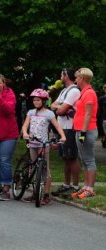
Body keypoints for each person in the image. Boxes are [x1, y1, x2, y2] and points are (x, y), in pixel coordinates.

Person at [20, 89, 66, 205]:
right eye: (34, 100)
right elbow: (25, 126)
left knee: (45, 169)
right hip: (32, 143)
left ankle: (46, 194)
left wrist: (63, 136)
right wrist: (25, 133)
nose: (35, 102)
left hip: (43, 144)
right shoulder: (31, 112)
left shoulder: (49, 113)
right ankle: (35, 193)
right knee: (34, 166)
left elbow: (57, 126)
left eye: (38, 100)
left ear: (44, 101)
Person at [50, 68, 82, 196]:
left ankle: (75, 186)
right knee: (65, 157)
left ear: (66, 76)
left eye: (61, 74)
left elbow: (61, 110)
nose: (60, 77)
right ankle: (66, 184)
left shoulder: (74, 90)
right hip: (61, 127)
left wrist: (61, 107)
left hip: (70, 128)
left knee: (72, 157)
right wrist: (61, 107)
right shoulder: (64, 90)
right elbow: (53, 106)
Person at [71, 68, 99, 199]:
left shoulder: (89, 93)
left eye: (77, 77)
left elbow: (88, 114)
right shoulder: (84, 93)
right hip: (80, 129)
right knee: (84, 160)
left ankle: (90, 189)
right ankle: (86, 186)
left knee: (89, 159)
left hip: (87, 130)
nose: (75, 80)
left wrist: (83, 132)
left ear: (82, 78)